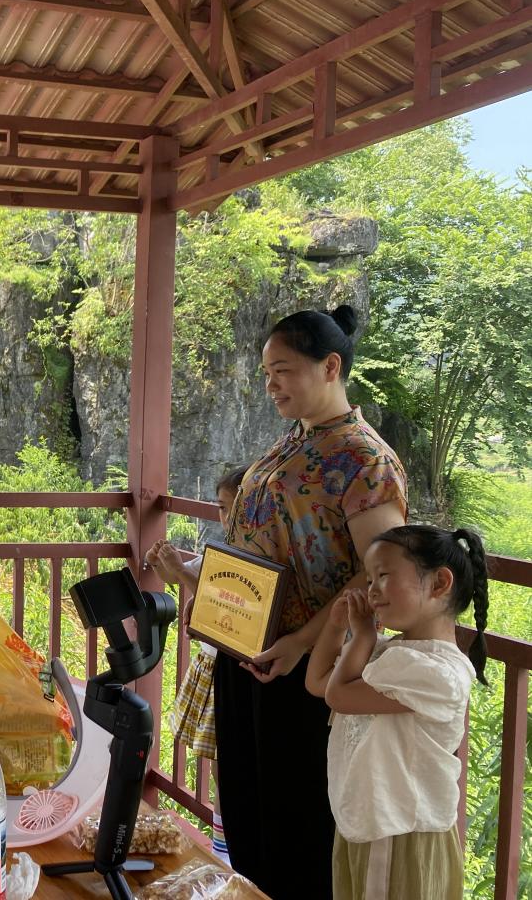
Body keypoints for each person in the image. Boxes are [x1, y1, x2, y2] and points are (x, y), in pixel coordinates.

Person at [214, 305, 408, 900]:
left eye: (284, 371)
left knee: (295, 825)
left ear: (330, 367)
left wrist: (301, 641)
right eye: (267, 373)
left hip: (308, 667)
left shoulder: (366, 460)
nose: (271, 384)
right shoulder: (294, 442)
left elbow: (378, 573)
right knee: (247, 810)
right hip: (247, 648)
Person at [305, 525, 487, 900]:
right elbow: (318, 681)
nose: (371, 590)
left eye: (384, 575)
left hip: (401, 831)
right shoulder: (391, 652)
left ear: (439, 583)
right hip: (369, 820)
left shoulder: (436, 673)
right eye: (370, 578)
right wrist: (337, 627)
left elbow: (337, 695)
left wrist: (363, 636)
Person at [145, 464, 246, 865]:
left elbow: (225, 611)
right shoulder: (223, 553)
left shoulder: (253, 559)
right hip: (213, 668)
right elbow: (189, 581)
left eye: (233, 507)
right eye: (221, 507)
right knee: (223, 768)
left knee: (230, 769)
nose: (226, 516)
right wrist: (167, 566)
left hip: (231, 672)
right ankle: (226, 851)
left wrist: (181, 575)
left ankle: (231, 854)